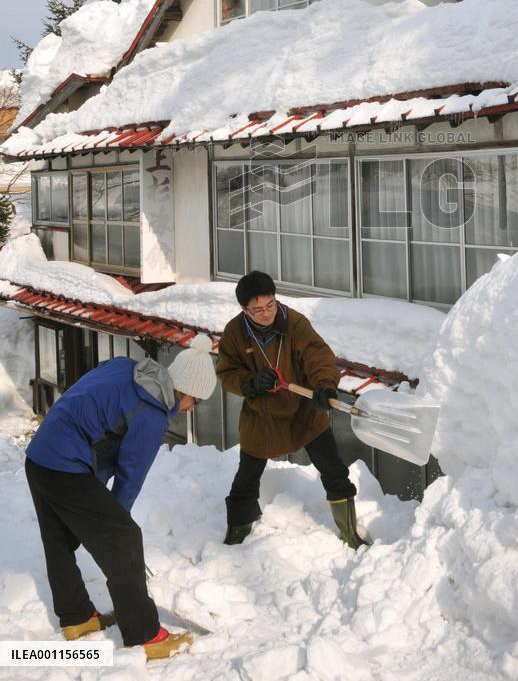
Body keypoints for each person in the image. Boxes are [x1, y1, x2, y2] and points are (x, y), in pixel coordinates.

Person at [25, 334, 217, 660]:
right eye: (194, 402)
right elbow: (130, 477)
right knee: (126, 538)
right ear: (185, 391)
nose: (188, 410)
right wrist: (116, 522)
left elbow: (98, 419)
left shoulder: (125, 367)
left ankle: (77, 618)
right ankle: (145, 635)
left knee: (60, 538)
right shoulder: (153, 415)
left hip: (40, 455)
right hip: (65, 465)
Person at [216, 271, 367, 550]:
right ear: (244, 310)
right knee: (246, 478)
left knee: (333, 470)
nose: (266, 314)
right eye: (257, 309)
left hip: (303, 414)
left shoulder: (294, 323)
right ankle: (237, 531)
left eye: (270, 305)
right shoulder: (234, 333)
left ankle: (349, 532)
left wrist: (324, 387)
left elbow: (317, 355)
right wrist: (250, 382)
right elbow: (226, 373)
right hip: (260, 417)